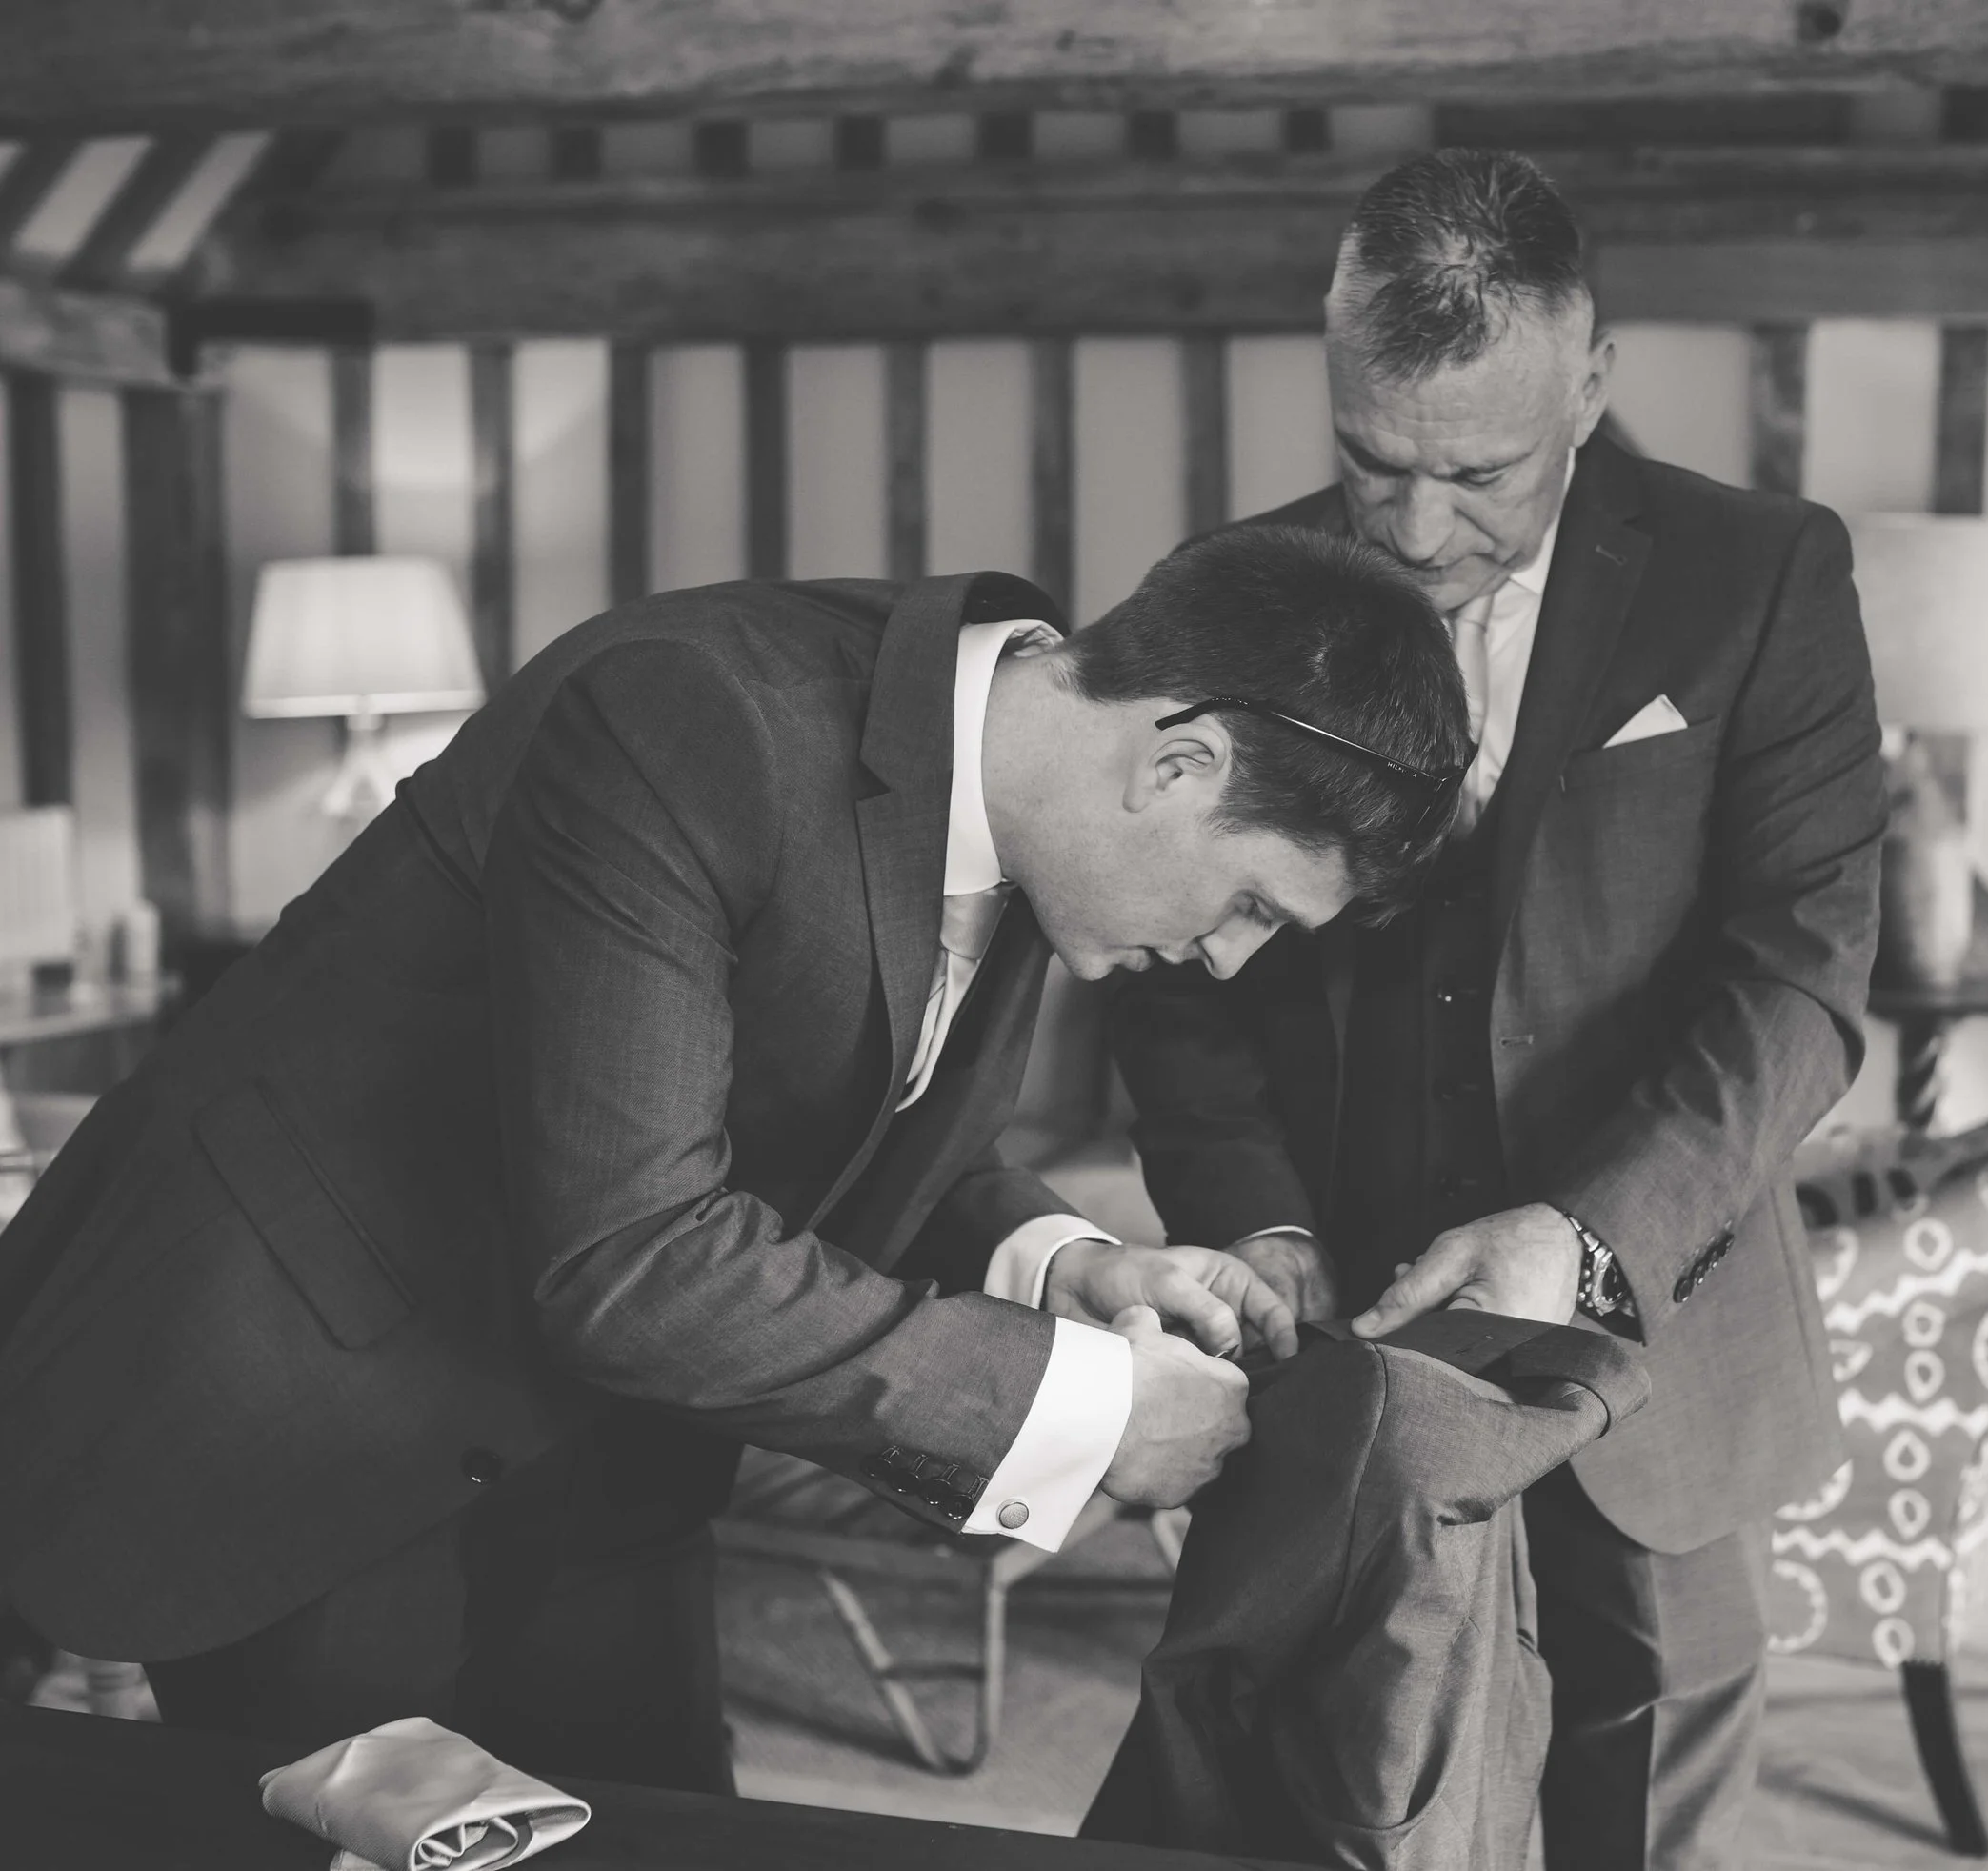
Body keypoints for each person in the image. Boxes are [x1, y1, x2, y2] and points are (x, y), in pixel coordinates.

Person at [0, 526, 1472, 1791]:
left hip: (608, 1441)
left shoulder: (1039, 832)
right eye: (1254, 906)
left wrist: (1069, 1262)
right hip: (313, 1397)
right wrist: (1087, 1410)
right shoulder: (694, 715)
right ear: (1177, 762)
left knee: (670, 1823)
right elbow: (635, 1258)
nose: (1224, 963)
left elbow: (857, 1135)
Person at [1110, 149, 1887, 1870]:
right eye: (1370, 461)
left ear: (1592, 377)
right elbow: (1170, 989)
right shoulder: (1232, 590)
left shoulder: (1757, 578)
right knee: (1321, 1790)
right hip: (1345, 1341)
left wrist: (1592, 1239)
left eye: (1479, 473)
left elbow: (1801, 976)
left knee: (1648, 1766)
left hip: (1646, 1328)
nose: (1413, 528)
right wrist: (1250, 1223)